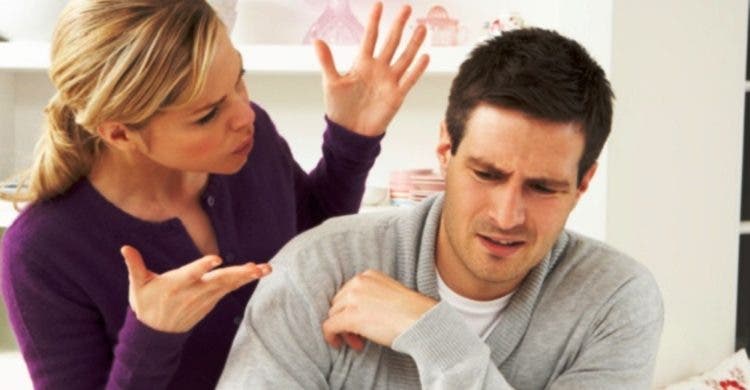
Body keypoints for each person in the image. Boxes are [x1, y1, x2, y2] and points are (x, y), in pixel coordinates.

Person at [0, 0, 429, 389]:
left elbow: (309, 239)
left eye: (239, 80)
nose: (244, 115)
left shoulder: (250, 146)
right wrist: (153, 334)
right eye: (207, 115)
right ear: (118, 132)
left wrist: (350, 140)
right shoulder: (41, 252)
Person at [218, 28, 664, 389]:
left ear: (584, 183)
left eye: (543, 187)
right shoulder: (316, 271)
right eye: (486, 174)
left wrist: (435, 335)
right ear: (445, 150)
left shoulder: (615, 300)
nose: (507, 216)